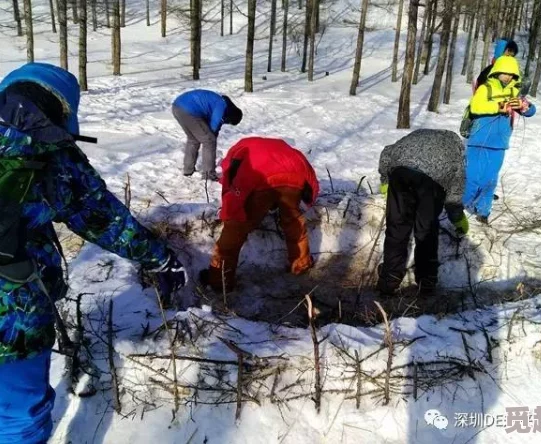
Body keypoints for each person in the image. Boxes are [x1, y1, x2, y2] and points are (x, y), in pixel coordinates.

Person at [0, 62, 187, 443]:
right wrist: (160, 258)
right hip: (13, 313)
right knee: (18, 416)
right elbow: (103, 219)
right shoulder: (53, 155)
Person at [199, 137, 319, 292]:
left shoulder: (238, 154)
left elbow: (232, 187)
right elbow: (309, 176)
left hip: (261, 181)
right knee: (292, 221)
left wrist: (231, 215)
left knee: (235, 230)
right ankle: (301, 264)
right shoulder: (287, 150)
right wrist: (309, 198)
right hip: (293, 178)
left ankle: (219, 280)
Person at [377, 129, 469, 297]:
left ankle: (389, 280)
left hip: (401, 173)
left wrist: (385, 180)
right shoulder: (457, 152)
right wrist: (457, 218)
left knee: (396, 227)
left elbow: (386, 153)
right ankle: (426, 283)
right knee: (426, 232)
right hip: (431, 183)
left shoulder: (417, 135)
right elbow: (456, 190)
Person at [463, 55, 536, 225]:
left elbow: (531, 112)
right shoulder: (485, 88)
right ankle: (460, 205)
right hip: (479, 139)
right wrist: (498, 106)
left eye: (511, 74)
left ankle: (483, 211)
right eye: (505, 73)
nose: (508, 77)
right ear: (497, 72)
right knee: (472, 177)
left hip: (499, 143)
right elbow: (476, 106)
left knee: (490, 179)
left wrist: (525, 107)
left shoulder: (515, 92)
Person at [172, 89, 243, 180]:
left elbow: (216, 125)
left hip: (177, 107)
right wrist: (212, 138)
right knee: (209, 141)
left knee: (193, 139)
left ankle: (188, 170)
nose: (227, 123)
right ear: (231, 115)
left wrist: (213, 134)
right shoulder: (221, 105)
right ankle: (209, 175)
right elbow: (214, 126)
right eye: (229, 122)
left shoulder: (221, 104)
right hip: (189, 110)